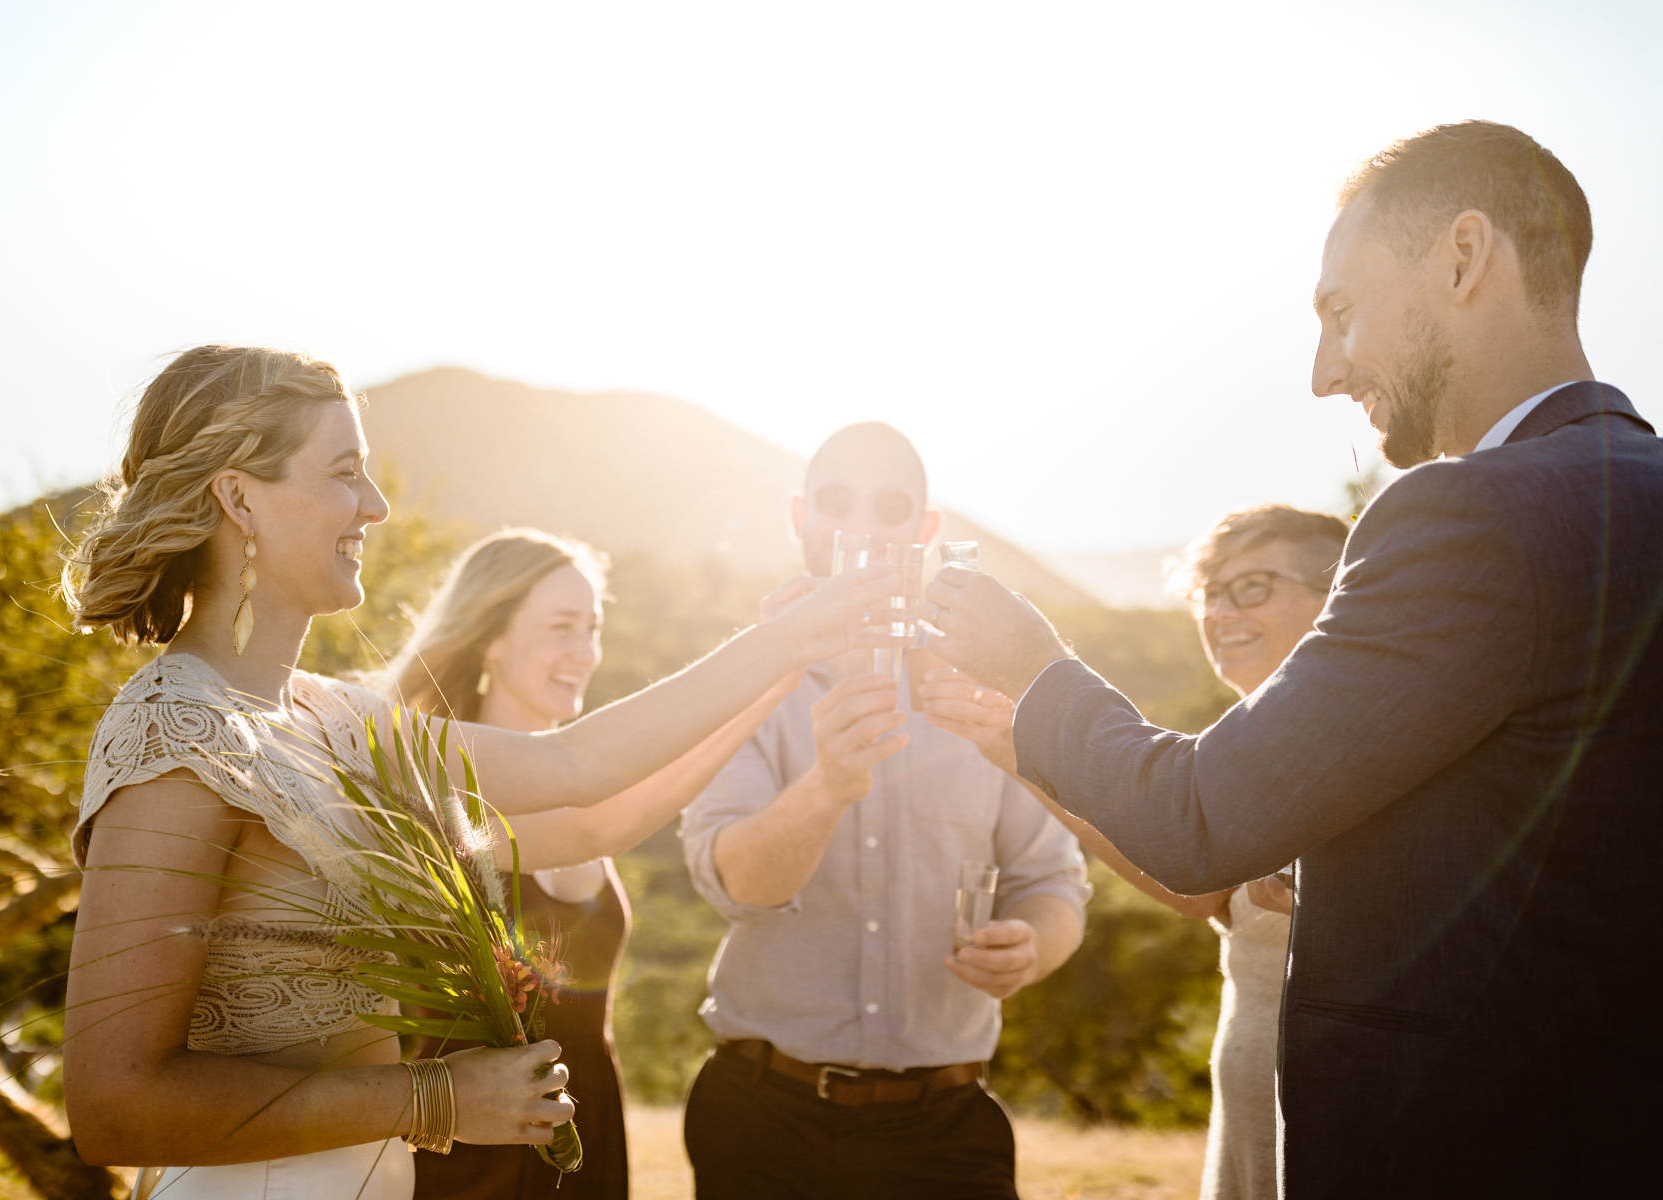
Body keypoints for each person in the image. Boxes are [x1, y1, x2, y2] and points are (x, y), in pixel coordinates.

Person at [925, 122, 1663, 1197]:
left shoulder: (1466, 517)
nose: (1326, 373)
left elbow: (1200, 819)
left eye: (1341, 311)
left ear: (1463, 259)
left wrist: (1033, 667)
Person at [60, 346, 892, 1199]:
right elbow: (112, 1105)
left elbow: (579, 764)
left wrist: (788, 643)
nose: (376, 507)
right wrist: (438, 1098)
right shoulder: (174, 738)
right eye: (345, 473)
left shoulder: (336, 717)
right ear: (239, 497)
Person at [679, 422, 1093, 1199]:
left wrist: (1031, 945)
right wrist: (827, 786)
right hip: (762, 1118)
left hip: (947, 1126)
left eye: (890, 507)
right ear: (800, 518)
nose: (862, 528)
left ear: (925, 531)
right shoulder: (741, 684)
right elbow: (732, 882)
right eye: (837, 502)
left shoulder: (981, 691)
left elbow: (1056, 884)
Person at [920, 504, 1347, 1200]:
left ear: (1339, 595)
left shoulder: (1352, 740)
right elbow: (1206, 891)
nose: (1221, 613)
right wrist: (1014, 749)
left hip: (1326, 1113)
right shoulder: (1247, 741)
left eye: (1253, 587)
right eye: (1209, 592)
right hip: (1254, 1116)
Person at [379, 529, 791, 1200]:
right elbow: (613, 808)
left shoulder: (581, 786)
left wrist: (780, 673)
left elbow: (625, 791)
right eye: (560, 627)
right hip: (475, 1153)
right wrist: (777, 658)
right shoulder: (444, 779)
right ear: (491, 638)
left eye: (593, 627)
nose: (584, 651)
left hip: (587, 1129)